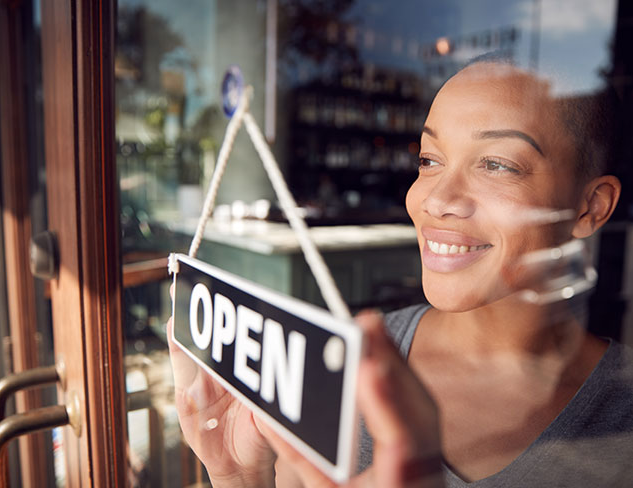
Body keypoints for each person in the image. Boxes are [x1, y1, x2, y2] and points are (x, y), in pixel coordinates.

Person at [167, 59, 633, 487]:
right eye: (429, 160)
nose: (435, 200)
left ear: (591, 206)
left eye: (497, 165)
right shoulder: (338, 366)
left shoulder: (621, 419)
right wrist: (239, 476)